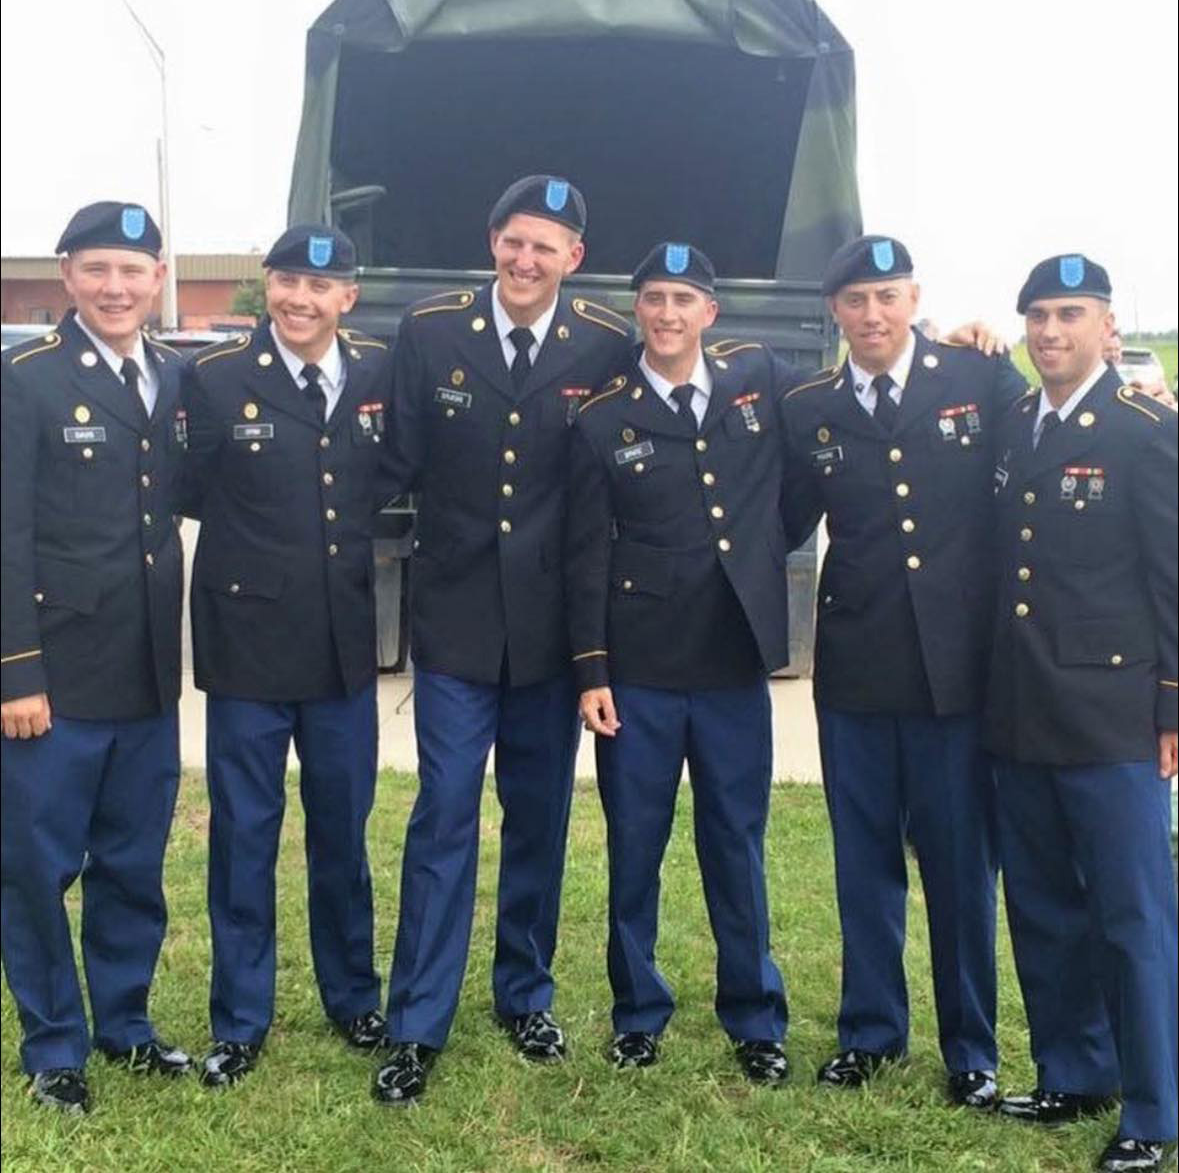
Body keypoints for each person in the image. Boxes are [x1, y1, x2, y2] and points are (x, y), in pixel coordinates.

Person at [373, 175, 632, 1106]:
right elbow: (390, 452)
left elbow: (683, 392)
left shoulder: (606, 341)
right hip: (453, 624)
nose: (527, 261)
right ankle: (415, 1023)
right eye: (513, 242)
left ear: (574, 259)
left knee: (539, 820)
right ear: (492, 242)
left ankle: (523, 995)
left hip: (552, 632)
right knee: (443, 815)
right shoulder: (430, 330)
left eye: (547, 246)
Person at [778, 235, 1028, 1108]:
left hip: (955, 677)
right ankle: (871, 1031)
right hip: (855, 672)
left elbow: (1052, 445)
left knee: (962, 867)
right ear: (834, 313)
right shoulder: (807, 406)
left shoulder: (977, 380)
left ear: (913, 298)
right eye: (854, 302)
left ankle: (971, 1051)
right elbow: (772, 517)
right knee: (866, 862)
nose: (872, 315)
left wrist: (1141, 386)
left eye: (886, 297)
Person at [565, 242, 795, 1081]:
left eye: (684, 299)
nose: (667, 313)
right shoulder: (601, 418)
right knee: (636, 846)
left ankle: (754, 1015)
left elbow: (797, 484)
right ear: (638, 310)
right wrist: (591, 671)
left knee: (736, 843)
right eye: (653, 297)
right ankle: (637, 1011)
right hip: (640, 670)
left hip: (732, 661)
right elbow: (585, 552)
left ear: (711, 312)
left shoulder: (757, 381)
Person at [180, 225, 394, 1087]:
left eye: (320, 285)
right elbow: (189, 488)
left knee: (341, 835)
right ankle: (239, 1018)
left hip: (343, 650)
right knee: (244, 837)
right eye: (285, 282)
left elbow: (392, 474)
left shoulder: (378, 373)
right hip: (248, 651)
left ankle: (352, 997)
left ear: (349, 296)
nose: (300, 299)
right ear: (263, 287)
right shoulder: (216, 377)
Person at [986, 254, 1177, 1173]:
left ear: (1107, 325)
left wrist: (1172, 703)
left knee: (1131, 917)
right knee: (1043, 905)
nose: (1050, 332)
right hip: (1021, 706)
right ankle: (1073, 1071)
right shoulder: (1017, 420)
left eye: (1069, 314)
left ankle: (1153, 1107)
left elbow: (1170, 576)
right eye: (1036, 317)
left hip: (1110, 714)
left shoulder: (1144, 429)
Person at [0, 201, 192, 1114]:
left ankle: (124, 1024)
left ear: (158, 279)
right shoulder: (25, 378)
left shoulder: (175, 374)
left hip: (148, 672)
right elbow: (6, 532)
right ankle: (53, 1047)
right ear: (67, 273)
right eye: (97, 269)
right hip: (56, 679)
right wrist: (15, 670)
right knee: (37, 865)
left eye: (133, 270)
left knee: (131, 861)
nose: (116, 287)